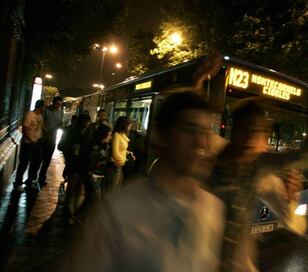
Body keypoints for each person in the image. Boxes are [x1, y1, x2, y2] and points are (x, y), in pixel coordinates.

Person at [61, 91, 225, 272]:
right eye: (188, 130)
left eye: (205, 132)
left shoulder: (213, 209)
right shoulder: (116, 212)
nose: (200, 142)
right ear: (161, 136)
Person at [209, 98, 308, 272]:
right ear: (233, 130)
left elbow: (297, 225)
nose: (250, 138)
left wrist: (291, 197)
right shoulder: (211, 149)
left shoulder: (263, 177)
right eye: (244, 129)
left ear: (264, 140)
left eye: (257, 132)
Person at [63, 113, 93, 224]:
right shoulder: (72, 133)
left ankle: (75, 214)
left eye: (88, 121)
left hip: (84, 166)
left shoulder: (90, 134)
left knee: (80, 190)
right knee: (71, 190)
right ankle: (70, 215)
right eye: (84, 121)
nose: (86, 123)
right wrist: (71, 151)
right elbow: (62, 146)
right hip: (74, 165)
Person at [13, 100, 45, 191]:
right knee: (23, 163)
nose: (44, 109)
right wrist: (31, 140)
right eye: (43, 107)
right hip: (28, 143)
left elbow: (41, 127)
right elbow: (25, 129)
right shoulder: (29, 115)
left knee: (35, 163)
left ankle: (30, 181)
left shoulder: (40, 116)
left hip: (37, 143)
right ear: (40, 107)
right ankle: (18, 183)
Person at [38, 96, 64, 186]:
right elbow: (41, 122)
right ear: (53, 103)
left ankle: (42, 177)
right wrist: (46, 131)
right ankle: (32, 178)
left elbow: (60, 123)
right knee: (38, 159)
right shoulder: (46, 110)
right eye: (57, 104)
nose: (58, 106)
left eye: (60, 105)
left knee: (47, 160)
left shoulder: (60, 112)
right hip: (43, 138)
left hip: (52, 139)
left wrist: (61, 127)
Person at [106, 116, 135, 192]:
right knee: (111, 190)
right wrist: (123, 160)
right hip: (115, 166)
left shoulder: (122, 135)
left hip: (119, 165)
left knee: (116, 188)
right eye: (129, 125)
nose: (130, 126)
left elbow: (122, 148)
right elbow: (115, 153)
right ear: (124, 125)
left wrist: (129, 152)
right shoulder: (116, 135)